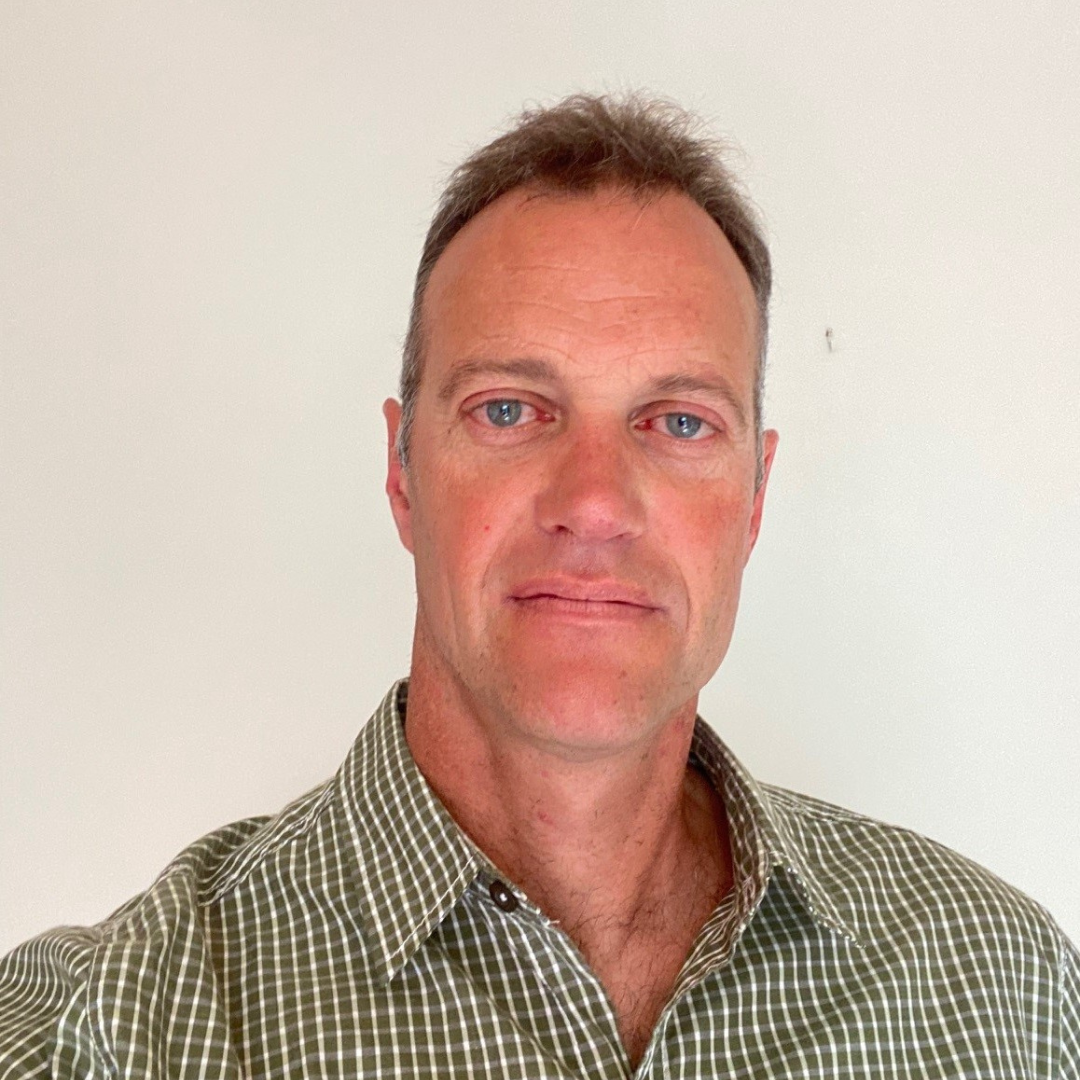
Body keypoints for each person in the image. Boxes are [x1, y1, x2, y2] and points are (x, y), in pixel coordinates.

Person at [1, 93, 1077, 1079]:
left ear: (754, 500)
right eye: (510, 410)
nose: (595, 502)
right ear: (402, 475)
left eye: (679, 422)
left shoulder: (1005, 993)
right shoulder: (104, 1032)